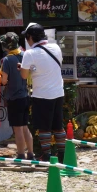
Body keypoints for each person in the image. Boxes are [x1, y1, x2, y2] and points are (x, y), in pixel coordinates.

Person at [19, 23, 65, 162]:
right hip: (58, 92)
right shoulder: (56, 47)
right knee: (58, 126)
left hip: (42, 94)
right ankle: (63, 154)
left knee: (44, 128)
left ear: (30, 37)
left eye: (27, 37)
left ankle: (47, 154)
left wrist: (23, 68)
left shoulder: (30, 53)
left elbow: (24, 76)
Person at [0, 33, 34, 161]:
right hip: (25, 95)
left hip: (14, 98)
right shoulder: (24, 55)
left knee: (17, 129)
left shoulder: (7, 60)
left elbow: (4, 80)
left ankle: (20, 155)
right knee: (25, 126)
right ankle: (31, 153)